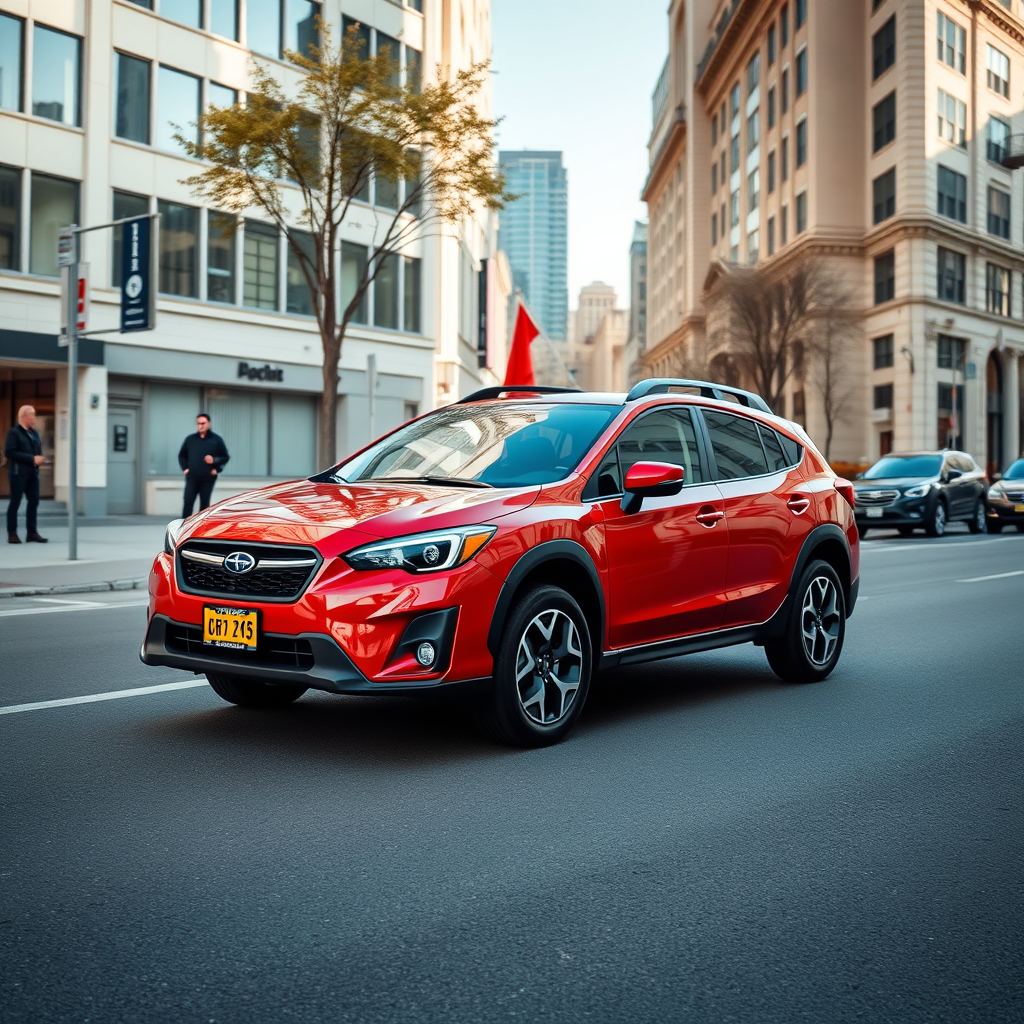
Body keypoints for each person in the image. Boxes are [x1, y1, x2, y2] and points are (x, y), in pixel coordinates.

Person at [5, 404, 48, 544]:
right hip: (18, 473)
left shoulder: (34, 433)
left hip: (32, 473)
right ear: (25, 416)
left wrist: (39, 458)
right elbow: (10, 453)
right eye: (32, 415)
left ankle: (32, 533)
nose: (34, 418)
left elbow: (35, 450)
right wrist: (31, 459)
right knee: (15, 502)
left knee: (34, 501)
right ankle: (12, 533)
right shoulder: (14, 433)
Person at [178, 413, 230, 518]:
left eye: (203, 423)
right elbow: (182, 455)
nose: (200, 425)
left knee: (204, 504)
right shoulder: (191, 439)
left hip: (208, 477)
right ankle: (183, 527)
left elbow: (225, 457)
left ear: (209, 424)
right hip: (192, 476)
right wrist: (185, 469)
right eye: (198, 423)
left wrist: (216, 465)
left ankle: (201, 530)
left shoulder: (216, 440)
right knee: (188, 501)